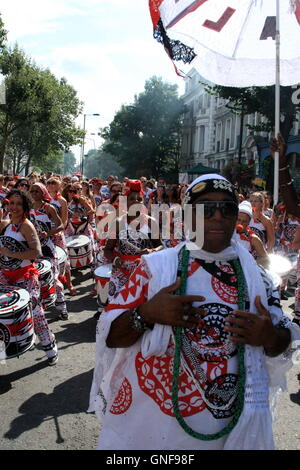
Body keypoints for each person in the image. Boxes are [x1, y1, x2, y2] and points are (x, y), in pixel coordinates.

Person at [89, 173, 300, 450]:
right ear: (187, 217)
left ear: (235, 216)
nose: (216, 216)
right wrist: (147, 314)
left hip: (229, 433)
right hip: (151, 431)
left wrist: (269, 336)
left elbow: (284, 343)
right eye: (205, 209)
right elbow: (110, 336)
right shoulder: (155, 269)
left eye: (226, 208)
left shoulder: (258, 278)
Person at [0, 189, 58, 365]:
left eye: (19, 204)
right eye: (12, 203)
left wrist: (11, 253)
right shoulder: (5, 224)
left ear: (25, 206)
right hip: (5, 275)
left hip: (25, 276)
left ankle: (49, 346)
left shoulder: (27, 226)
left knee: (34, 310)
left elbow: (37, 252)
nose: (15, 207)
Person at [236, 200, 269, 268]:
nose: (240, 224)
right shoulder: (226, 233)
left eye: (244, 221)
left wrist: (249, 264)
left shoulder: (253, 238)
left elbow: (266, 260)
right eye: (238, 220)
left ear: (249, 223)